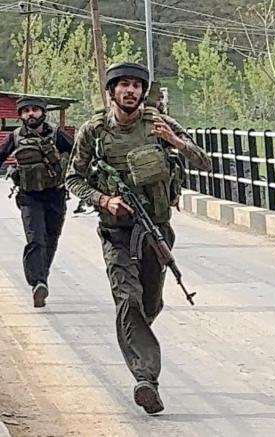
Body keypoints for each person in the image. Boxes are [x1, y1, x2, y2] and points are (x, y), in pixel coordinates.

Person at [65, 62, 211, 414]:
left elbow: (204, 162)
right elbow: (73, 178)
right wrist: (104, 200)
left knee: (150, 303)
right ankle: (146, 379)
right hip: (117, 232)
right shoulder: (94, 131)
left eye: (136, 85)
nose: (130, 91)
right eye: (124, 85)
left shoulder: (158, 124)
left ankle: (134, 337)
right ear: (111, 91)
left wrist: (175, 141)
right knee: (128, 300)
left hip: (156, 230)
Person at [0, 96, 73, 308]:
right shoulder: (15, 136)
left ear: (43, 112)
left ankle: (42, 278)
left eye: (35, 110)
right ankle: (37, 283)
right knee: (35, 239)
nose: (31, 114)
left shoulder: (57, 134)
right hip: (29, 197)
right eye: (26, 111)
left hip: (56, 195)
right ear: (21, 115)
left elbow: (79, 154)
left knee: (51, 239)